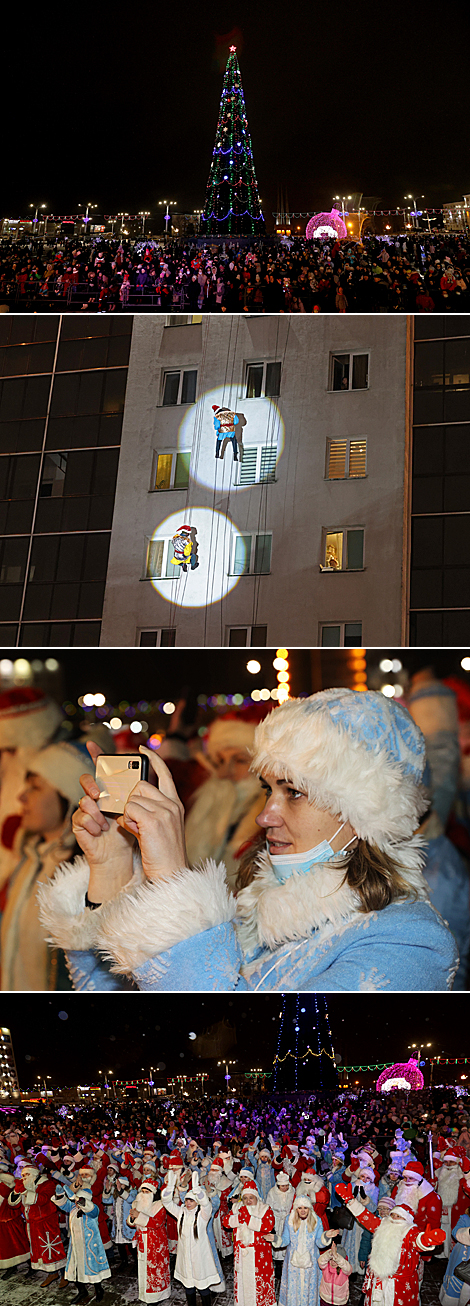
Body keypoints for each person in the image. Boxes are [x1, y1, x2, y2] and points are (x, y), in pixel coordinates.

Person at [39, 690, 459, 992]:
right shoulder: (250, 905)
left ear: (363, 809)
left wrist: (172, 883)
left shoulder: (407, 940)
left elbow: (227, 1040)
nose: (265, 815)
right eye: (267, 789)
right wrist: (111, 871)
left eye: (293, 792)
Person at [1, 740, 89, 990]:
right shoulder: (29, 861)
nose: (21, 796)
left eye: (36, 788)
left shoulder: (84, 878)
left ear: (69, 799)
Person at [185, 713, 265, 892]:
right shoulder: (204, 806)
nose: (223, 772)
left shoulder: (269, 824)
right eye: (220, 760)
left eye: (240, 760)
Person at [336, 1182, 445, 1306]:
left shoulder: (410, 1232)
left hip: (399, 1285)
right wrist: (351, 1201)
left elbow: (418, 1241)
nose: (393, 1218)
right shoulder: (383, 1224)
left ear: (406, 1220)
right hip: (378, 1279)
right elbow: (365, 1217)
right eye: (392, 1215)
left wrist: (427, 1240)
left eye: (398, 1216)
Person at [162, 1169, 222, 1304]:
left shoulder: (203, 1215)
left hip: (200, 1257)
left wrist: (197, 1190)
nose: (188, 1203)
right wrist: (170, 1187)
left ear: (197, 1202)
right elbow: (166, 1203)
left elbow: (207, 1204)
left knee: (203, 1287)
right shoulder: (181, 1212)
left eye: (192, 1201)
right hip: (185, 1258)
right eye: (187, 1200)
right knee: (188, 1286)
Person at [8, 1163, 67, 1285]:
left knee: (53, 1248)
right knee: (42, 1252)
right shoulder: (25, 1185)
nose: (24, 1177)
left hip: (47, 1223)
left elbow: (43, 1199)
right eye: (23, 1175)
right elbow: (14, 1205)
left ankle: (64, 1274)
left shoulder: (47, 1184)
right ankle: (52, 1273)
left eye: (27, 1174)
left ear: (34, 1175)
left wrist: (24, 1192)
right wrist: (16, 1192)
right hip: (32, 1224)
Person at [53, 1182, 111, 1302]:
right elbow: (64, 1204)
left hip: (90, 1246)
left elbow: (91, 1209)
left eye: (79, 1200)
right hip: (76, 1245)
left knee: (93, 1269)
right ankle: (82, 1291)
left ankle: (99, 1289)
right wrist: (59, 1195)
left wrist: (75, 1197)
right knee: (76, 1269)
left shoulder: (93, 1210)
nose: (75, 1202)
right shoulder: (73, 1207)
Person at [224, 1177, 276, 1306]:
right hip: (241, 1253)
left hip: (259, 1254)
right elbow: (226, 1222)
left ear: (256, 1197)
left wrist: (248, 1219)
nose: (248, 1201)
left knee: (259, 1282)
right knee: (243, 1280)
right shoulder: (237, 1207)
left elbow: (268, 1226)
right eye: (245, 1198)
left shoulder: (265, 1208)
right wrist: (238, 1218)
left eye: (250, 1197)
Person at [279, 1194, 330, 1306]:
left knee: (308, 1288)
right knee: (294, 1288)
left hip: (310, 1263)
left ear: (309, 1208)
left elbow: (319, 1243)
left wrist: (326, 1237)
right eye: (300, 1208)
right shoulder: (289, 1219)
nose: (302, 1211)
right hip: (293, 1264)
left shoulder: (317, 1221)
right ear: (296, 1208)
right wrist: (275, 1239)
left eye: (305, 1208)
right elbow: (285, 1240)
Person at [127, 1179, 171, 1304]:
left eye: (147, 1192)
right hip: (142, 1241)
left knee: (155, 1270)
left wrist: (139, 1216)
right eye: (142, 1191)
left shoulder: (160, 1205)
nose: (143, 1194)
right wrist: (132, 1217)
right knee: (144, 1269)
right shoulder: (136, 1204)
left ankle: (156, 1297)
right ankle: (146, 1294)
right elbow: (131, 1223)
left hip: (156, 1243)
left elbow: (157, 1222)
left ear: (153, 1193)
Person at [0, 1160, 30, 1280]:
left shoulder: (5, 1185)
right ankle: (11, 1266)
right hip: (5, 1221)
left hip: (9, 1221)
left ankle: (29, 1264)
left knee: (18, 1245)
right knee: (8, 1247)